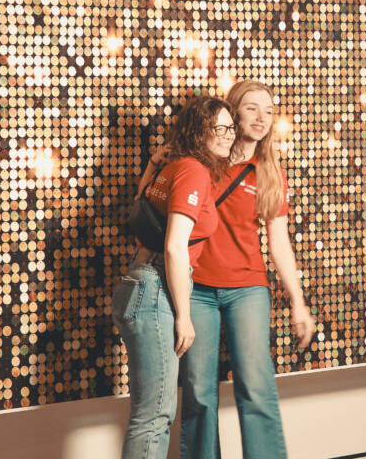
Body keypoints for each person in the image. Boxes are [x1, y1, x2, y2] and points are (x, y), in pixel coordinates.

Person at [180, 79, 316, 459]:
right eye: (253, 108)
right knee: (198, 394)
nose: (262, 118)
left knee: (256, 388)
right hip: (197, 290)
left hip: (247, 289)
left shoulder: (270, 173)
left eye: (269, 111)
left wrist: (298, 302)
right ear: (233, 111)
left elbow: (279, 243)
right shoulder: (203, 163)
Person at [111, 95, 236, 459]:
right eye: (221, 128)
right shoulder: (193, 170)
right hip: (154, 289)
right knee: (155, 417)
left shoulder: (173, 166)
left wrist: (152, 163)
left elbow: (140, 205)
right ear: (200, 130)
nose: (229, 134)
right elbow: (175, 248)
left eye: (231, 127)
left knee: (147, 413)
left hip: (138, 283)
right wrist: (184, 315)